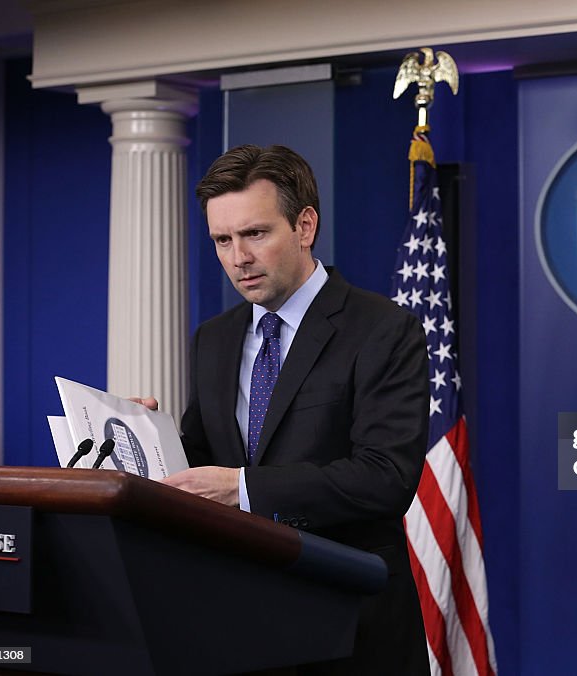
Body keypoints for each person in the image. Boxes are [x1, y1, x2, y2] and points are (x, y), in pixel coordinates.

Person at [149, 144, 431, 675]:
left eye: (255, 234)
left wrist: (242, 489)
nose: (238, 257)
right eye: (222, 240)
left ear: (304, 226)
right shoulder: (214, 338)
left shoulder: (384, 328)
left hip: (351, 625)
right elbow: (203, 457)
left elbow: (386, 477)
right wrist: (145, 433)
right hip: (238, 626)